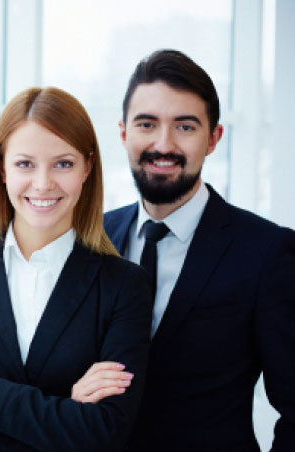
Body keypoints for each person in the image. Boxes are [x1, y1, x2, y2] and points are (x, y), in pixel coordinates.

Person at [0, 86, 153, 451]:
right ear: (2, 169)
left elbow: (105, 432)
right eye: (25, 163)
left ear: (87, 167)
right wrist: (66, 411)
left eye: (63, 163)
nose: (43, 183)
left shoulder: (124, 286)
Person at [103, 49, 295, 451]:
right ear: (124, 133)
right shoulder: (94, 237)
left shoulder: (267, 251)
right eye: (147, 124)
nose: (163, 143)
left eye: (185, 127)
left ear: (213, 139)